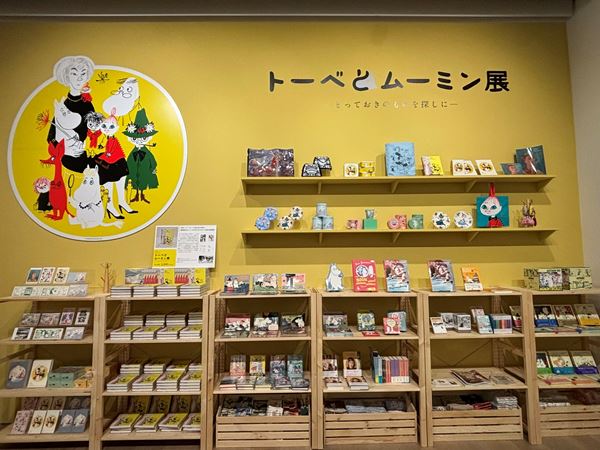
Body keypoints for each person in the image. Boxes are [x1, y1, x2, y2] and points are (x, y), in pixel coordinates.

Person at [48, 56, 96, 173]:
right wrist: (67, 151)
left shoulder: (88, 104)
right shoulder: (64, 105)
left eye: (83, 73)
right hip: (69, 158)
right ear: (67, 76)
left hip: (86, 154)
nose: (79, 78)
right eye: (74, 74)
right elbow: (51, 137)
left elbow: (93, 132)